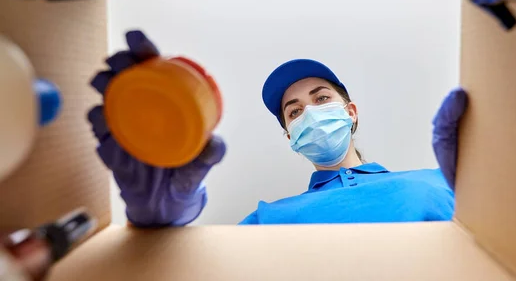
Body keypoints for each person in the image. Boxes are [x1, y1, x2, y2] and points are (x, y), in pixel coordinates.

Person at [88, 31, 467, 226]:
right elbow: (191, 280)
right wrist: (160, 223)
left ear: (350, 112)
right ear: (291, 136)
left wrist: (475, 185)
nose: (310, 114)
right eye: (295, 111)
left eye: (321, 100)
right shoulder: (269, 219)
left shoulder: (437, 181)